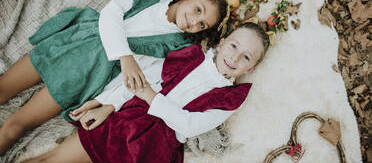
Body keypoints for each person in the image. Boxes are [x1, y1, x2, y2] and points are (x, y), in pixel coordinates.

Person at [0, 0, 227, 155]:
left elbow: (141, 79)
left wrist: (106, 104)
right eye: (198, 10)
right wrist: (125, 56)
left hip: (84, 75)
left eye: (202, 25)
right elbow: (111, 13)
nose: (194, 21)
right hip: (70, 42)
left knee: (16, 124)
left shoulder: (177, 47)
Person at [23, 22, 270, 163]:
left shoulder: (230, 99)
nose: (235, 57)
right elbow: (139, 80)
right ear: (223, 41)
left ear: (252, 67)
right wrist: (108, 106)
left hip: (154, 149)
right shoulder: (189, 56)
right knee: (52, 160)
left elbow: (189, 125)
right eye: (234, 46)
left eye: (246, 56)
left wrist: (151, 96)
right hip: (128, 120)